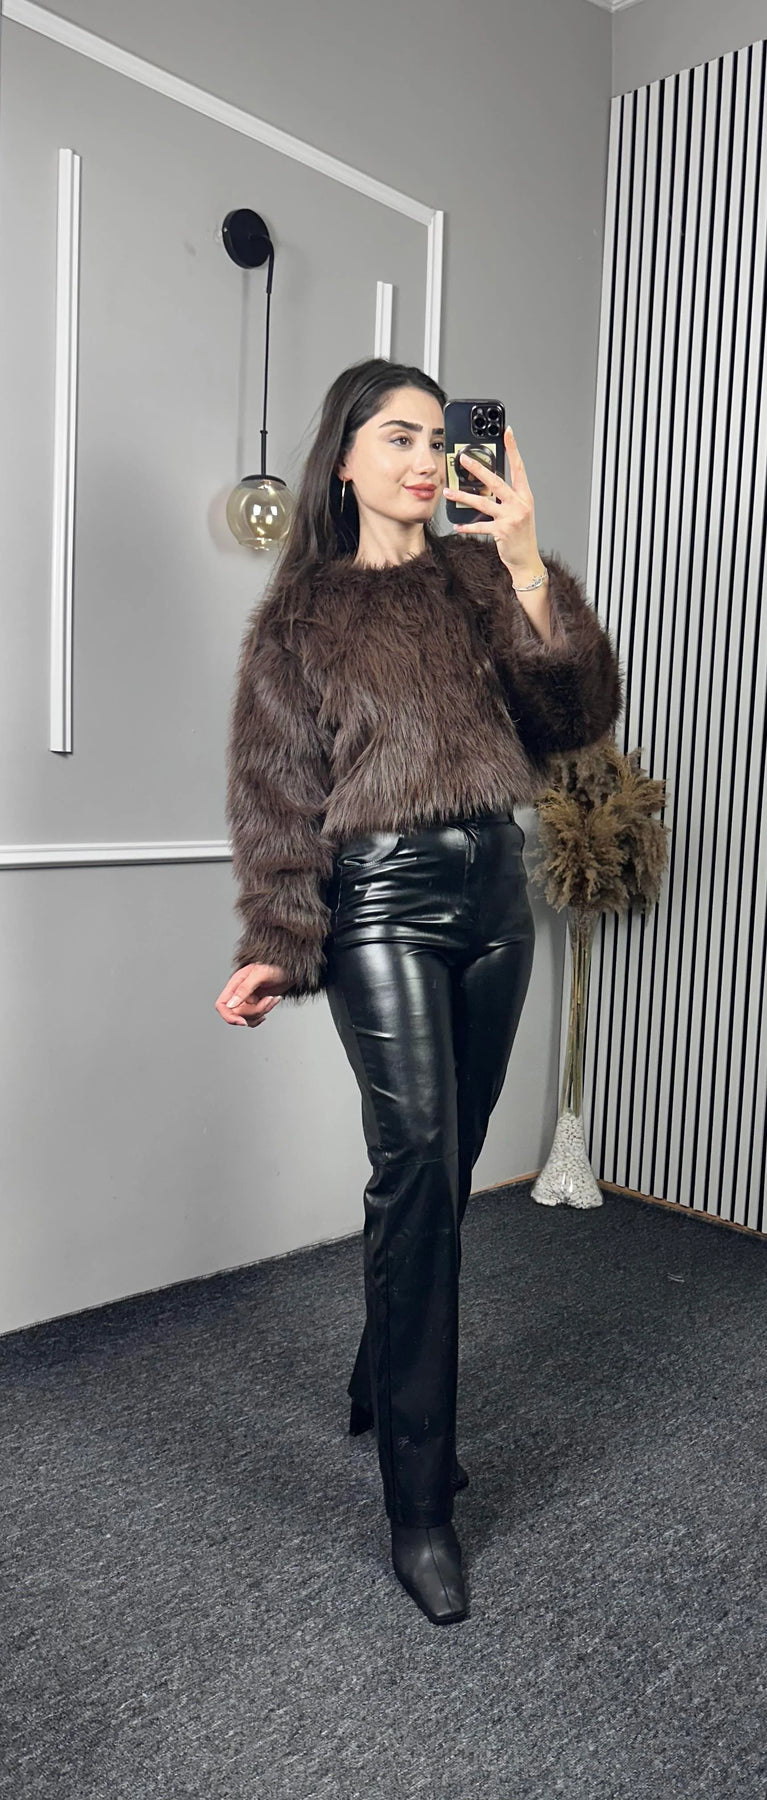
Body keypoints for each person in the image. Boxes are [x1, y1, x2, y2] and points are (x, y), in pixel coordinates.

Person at [215, 357, 623, 1626]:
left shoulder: (476, 578)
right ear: (343, 457)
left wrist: (525, 560)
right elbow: (277, 792)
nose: (424, 459)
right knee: (418, 1168)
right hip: (380, 902)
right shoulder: (299, 620)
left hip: (494, 893)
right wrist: (279, 941)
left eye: (438, 440)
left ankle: (371, 1376)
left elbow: (573, 715)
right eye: (397, 437)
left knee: (439, 1174)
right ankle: (418, 1507)